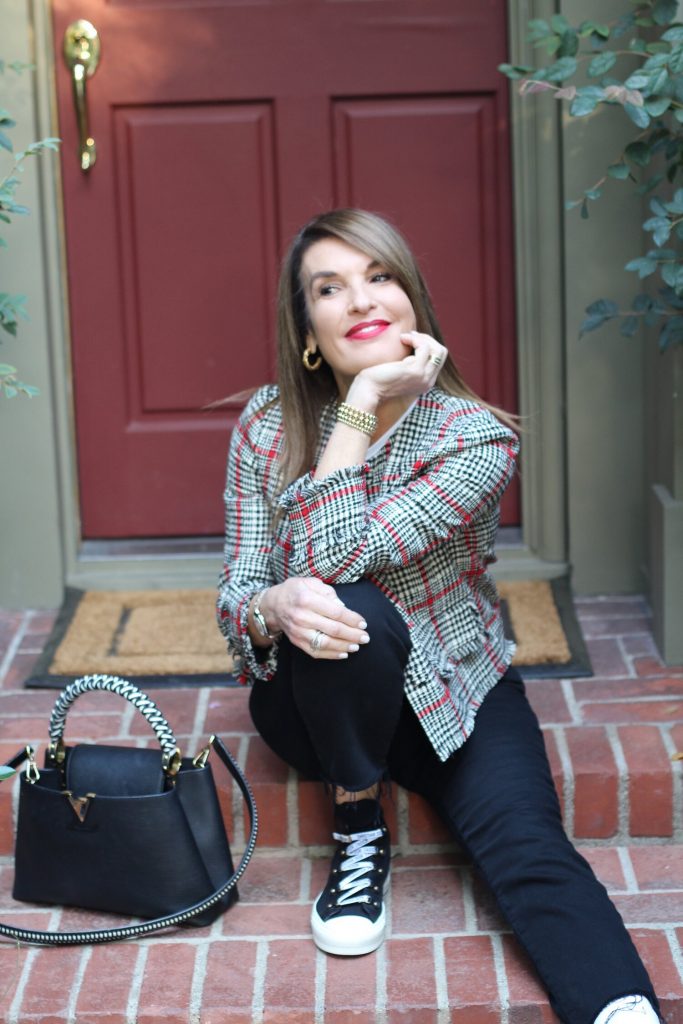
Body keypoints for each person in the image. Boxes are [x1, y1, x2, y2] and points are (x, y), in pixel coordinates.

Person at [216, 209, 661, 1024]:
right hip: (315, 707)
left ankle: (619, 1008)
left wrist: (364, 400)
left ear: (411, 299)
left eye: (378, 277)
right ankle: (358, 823)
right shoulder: (266, 427)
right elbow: (256, 586)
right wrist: (268, 605)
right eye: (329, 287)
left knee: (528, 847)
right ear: (306, 327)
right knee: (334, 606)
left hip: (452, 690)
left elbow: (341, 550)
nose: (359, 300)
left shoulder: (473, 438)